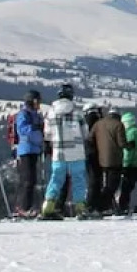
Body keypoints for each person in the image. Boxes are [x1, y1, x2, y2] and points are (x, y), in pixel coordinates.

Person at [41, 83, 91, 219]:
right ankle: (80, 209)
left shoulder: (50, 112)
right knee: (78, 180)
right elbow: (85, 132)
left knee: (56, 179)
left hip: (59, 152)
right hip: (76, 152)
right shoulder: (77, 111)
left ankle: (48, 207)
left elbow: (47, 134)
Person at [13, 90, 46, 217]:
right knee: (28, 180)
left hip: (34, 149)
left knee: (31, 180)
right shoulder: (24, 114)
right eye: (38, 101)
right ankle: (23, 207)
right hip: (26, 149)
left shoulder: (35, 115)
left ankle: (26, 205)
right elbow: (22, 129)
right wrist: (35, 128)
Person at [91, 109, 127, 214]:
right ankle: (101, 206)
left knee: (104, 184)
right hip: (115, 160)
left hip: (100, 160)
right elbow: (121, 143)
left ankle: (101, 205)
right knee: (112, 185)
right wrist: (130, 145)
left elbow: (90, 138)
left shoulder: (98, 123)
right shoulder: (119, 125)